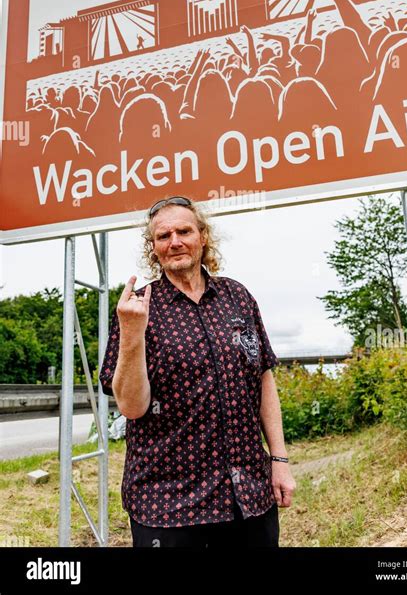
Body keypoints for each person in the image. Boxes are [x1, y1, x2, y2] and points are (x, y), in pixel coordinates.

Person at [99, 195, 295, 548]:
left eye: (184, 231)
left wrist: (278, 460)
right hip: (168, 503)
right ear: (153, 247)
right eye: (163, 236)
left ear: (202, 236)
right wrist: (131, 333)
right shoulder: (137, 309)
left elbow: (264, 380)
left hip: (248, 496)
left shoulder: (238, 297)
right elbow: (131, 407)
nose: (175, 241)